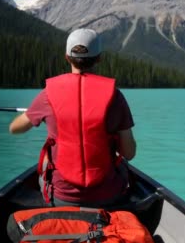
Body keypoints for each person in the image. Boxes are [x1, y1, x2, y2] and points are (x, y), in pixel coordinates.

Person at [8, 28, 137, 207]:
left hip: (60, 198)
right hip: (107, 197)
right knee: (122, 165)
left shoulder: (47, 95)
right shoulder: (115, 97)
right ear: (99, 58)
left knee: (47, 158)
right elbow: (129, 153)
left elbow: (14, 129)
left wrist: (31, 112)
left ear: (67, 57)